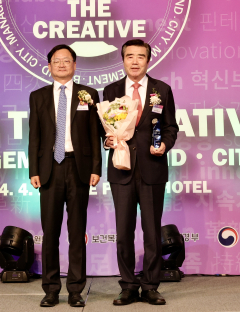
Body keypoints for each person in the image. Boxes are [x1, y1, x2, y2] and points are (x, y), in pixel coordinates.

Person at [103, 39, 179, 306]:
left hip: (152, 169)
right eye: (130, 56)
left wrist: (165, 145)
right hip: (121, 169)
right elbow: (104, 127)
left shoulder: (162, 90)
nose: (135, 61)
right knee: (123, 231)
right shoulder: (111, 90)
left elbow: (170, 127)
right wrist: (107, 140)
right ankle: (127, 286)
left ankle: (150, 286)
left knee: (151, 231)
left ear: (148, 60)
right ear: (123, 60)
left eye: (140, 56)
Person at [28, 44, 102, 308]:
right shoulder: (38, 96)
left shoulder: (88, 94)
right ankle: (50, 289)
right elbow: (34, 136)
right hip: (49, 168)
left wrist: (96, 167)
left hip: (78, 167)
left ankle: (75, 289)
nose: (61, 64)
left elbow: (95, 134)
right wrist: (33, 170)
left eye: (66, 60)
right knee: (50, 232)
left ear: (74, 65)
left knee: (77, 231)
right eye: (56, 61)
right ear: (49, 66)